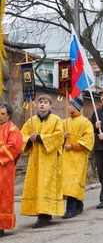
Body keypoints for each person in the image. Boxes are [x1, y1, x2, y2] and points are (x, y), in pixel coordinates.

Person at [20, 94, 64, 228]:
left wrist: (39, 138)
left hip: (49, 158)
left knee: (46, 185)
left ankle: (44, 215)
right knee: (36, 184)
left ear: (50, 105)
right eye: (40, 102)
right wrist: (28, 139)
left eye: (45, 102)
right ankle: (40, 212)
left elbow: (59, 136)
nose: (42, 104)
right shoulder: (31, 120)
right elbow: (22, 135)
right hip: (35, 158)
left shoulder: (56, 120)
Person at [62, 98, 95, 219]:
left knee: (73, 182)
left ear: (77, 107)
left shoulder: (85, 122)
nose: (68, 107)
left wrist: (73, 145)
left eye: (70, 105)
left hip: (78, 157)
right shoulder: (64, 122)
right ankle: (78, 205)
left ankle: (70, 209)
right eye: (68, 105)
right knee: (68, 183)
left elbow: (88, 140)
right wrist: (62, 137)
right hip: (66, 157)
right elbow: (57, 137)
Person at [0, 103, 23, 236]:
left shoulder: (13, 130)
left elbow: (14, 147)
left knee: (2, 195)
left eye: (3, 114)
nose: (0, 116)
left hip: (5, 168)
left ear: (9, 115)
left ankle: (1, 225)